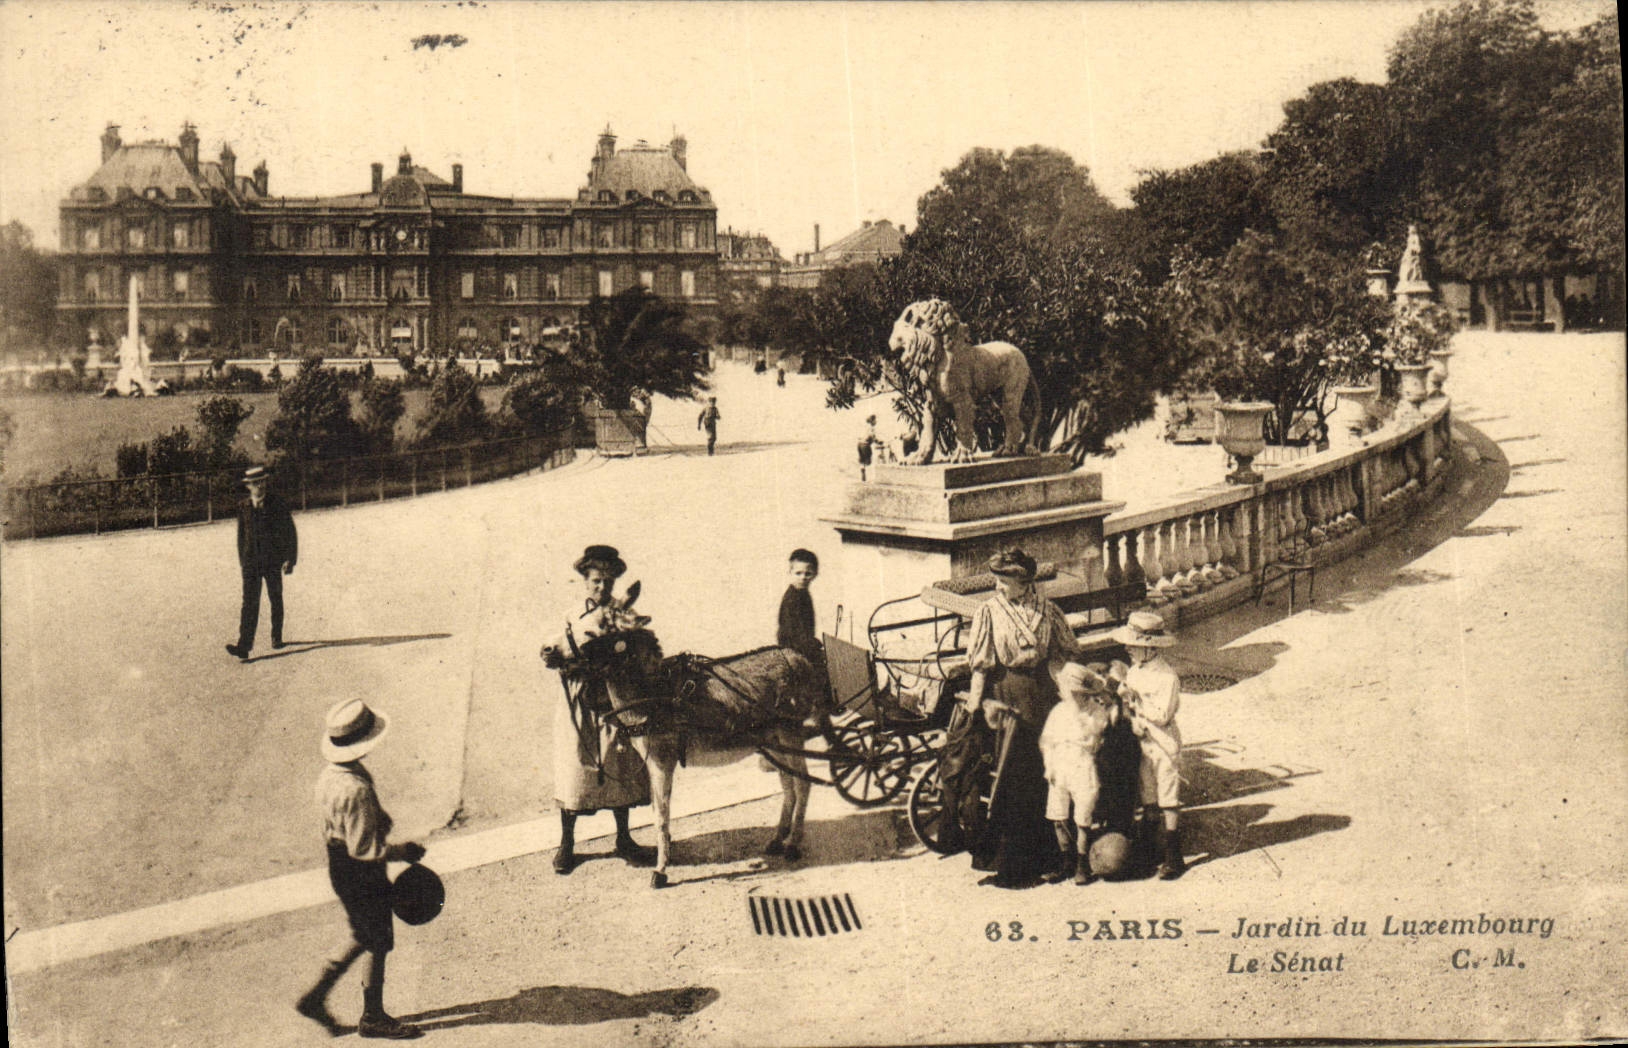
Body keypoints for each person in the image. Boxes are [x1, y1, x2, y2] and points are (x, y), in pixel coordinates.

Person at [296, 699, 426, 1040]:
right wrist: (404, 852)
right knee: (378, 940)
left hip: (339, 865)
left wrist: (378, 819)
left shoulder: (333, 776)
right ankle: (372, 1016)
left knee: (364, 934)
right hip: (361, 872)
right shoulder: (356, 789)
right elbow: (366, 850)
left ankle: (316, 996)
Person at [961, 548, 1081, 887]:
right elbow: (980, 666)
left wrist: (1070, 692)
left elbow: (1064, 654)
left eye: (1004, 581)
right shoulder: (988, 611)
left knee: (1043, 774)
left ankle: (1051, 855)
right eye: (997, 581)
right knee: (1011, 778)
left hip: (1042, 696)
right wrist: (975, 707)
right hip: (1006, 694)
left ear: (1024, 582)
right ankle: (1011, 864)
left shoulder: (1048, 610)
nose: (998, 587)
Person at [539, 545, 657, 875]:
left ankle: (624, 838)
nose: (602, 587)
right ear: (585, 580)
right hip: (580, 701)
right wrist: (553, 657)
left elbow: (637, 651)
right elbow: (555, 647)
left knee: (620, 761)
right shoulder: (572, 615)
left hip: (613, 699)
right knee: (576, 767)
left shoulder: (623, 615)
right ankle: (567, 844)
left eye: (608, 581)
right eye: (596, 581)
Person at [1110, 610, 1186, 880]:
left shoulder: (1167, 677)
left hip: (1163, 743)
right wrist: (1125, 696)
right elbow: (1129, 699)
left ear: (1151, 647)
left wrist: (1136, 701)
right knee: (1149, 794)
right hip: (1143, 742)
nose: (1128, 649)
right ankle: (1150, 848)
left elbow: (1163, 715)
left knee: (1168, 798)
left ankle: (1174, 855)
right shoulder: (1135, 670)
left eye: (1134, 645)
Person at [1039, 662, 1115, 885]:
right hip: (1059, 764)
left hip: (1082, 764)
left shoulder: (1095, 712)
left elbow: (1095, 735)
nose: (1073, 697)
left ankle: (1082, 862)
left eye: (1079, 693)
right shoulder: (1058, 711)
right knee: (1058, 815)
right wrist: (1049, 766)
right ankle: (1066, 861)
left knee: (1083, 816)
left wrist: (1084, 718)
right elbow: (1047, 741)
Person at [226, 465, 297, 660]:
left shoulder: (277, 504)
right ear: (248, 486)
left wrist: (289, 559)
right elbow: (241, 536)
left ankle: (276, 636)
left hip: (273, 561)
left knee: (275, 597)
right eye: (256, 483)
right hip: (251, 563)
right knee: (249, 603)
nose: (260, 486)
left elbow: (289, 532)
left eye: (263, 481)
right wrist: (243, 561)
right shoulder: (243, 506)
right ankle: (244, 646)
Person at [776, 549, 823, 665]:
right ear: (790, 572)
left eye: (808, 574)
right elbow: (791, 633)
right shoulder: (792, 598)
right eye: (798, 573)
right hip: (792, 650)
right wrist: (813, 646)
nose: (803, 577)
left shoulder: (804, 594)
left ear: (815, 574)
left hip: (802, 647)